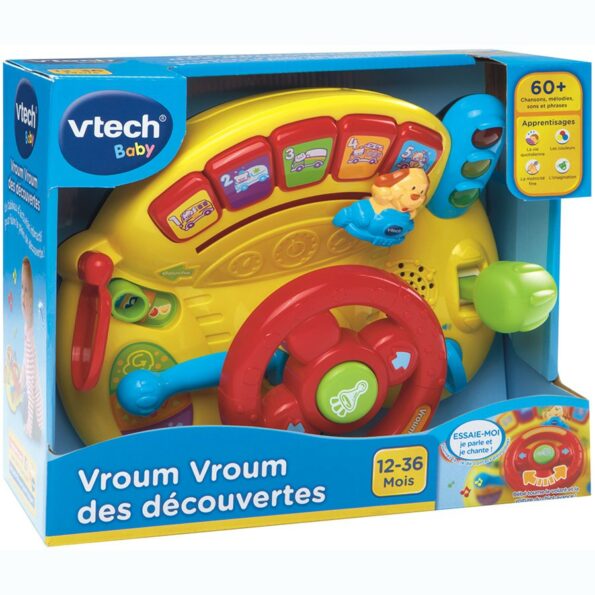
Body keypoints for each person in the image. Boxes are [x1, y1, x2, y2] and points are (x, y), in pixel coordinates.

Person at [333, 167, 430, 247]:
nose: (416, 195)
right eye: (413, 188)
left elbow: (401, 237)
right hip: (358, 232)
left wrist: (388, 240)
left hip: (379, 240)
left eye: (421, 192)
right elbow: (340, 220)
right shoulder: (366, 210)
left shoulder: (408, 218)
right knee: (362, 219)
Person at [20, 258, 43, 439]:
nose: (22, 297)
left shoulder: (33, 334)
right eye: (21, 289)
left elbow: (33, 384)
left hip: (36, 419)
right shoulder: (28, 331)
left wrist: (30, 426)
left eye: (25, 291)